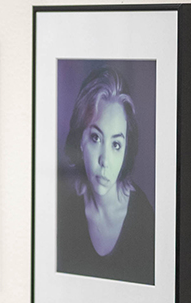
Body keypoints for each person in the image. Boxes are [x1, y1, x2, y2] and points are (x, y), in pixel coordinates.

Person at [55, 66, 153, 284]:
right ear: (80, 139)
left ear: (126, 149)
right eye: (96, 138)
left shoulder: (145, 220)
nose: (105, 160)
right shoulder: (65, 213)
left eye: (116, 144)